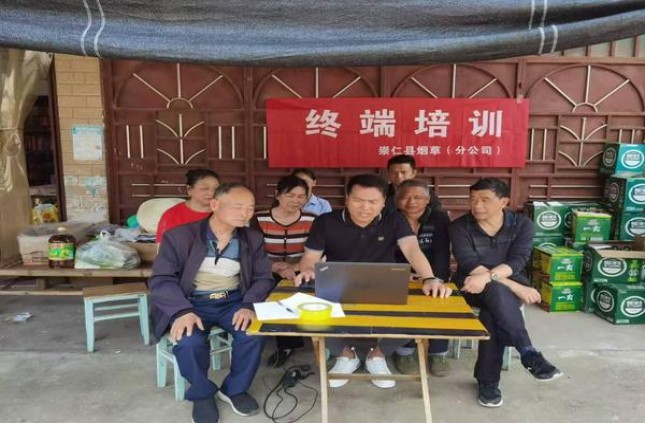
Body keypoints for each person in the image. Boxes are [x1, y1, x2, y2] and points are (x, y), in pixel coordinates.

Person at [295, 174, 452, 389]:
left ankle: (377, 355)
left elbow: (411, 249)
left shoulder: (394, 219)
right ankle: (345, 355)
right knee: (307, 313)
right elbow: (310, 256)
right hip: (338, 285)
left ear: (383, 202)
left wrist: (430, 278)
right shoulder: (326, 222)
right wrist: (306, 270)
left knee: (416, 314)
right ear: (347, 198)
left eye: (372, 202)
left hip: (384, 285)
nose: (365, 208)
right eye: (358, 200)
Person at [149, 182, 274, 423]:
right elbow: (161, 279)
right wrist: (181, 311)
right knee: (189, 341)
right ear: (215, 205)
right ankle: (202, 394)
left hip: (233, 300)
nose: (245, 213)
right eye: (238, 207)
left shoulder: (252, 238)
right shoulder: (180, 236)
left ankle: (234, 389)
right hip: (191, 303)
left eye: (250, 208)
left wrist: (249, 304)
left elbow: (263, 277)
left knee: (253, 334)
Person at [449, 178, 562, 408]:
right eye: (473, 200)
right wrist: (516, 287)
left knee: (492, 311)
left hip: (503, 282)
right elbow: (468, 262)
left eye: (485, 200)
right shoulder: (459, 226)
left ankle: (488, 382)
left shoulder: (522, 224)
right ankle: (527, 352)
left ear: (503, 202)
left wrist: (493, 279)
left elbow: (518, 260)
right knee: (496, 292)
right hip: (471, 283)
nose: (477, 205)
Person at [249, 175, 317, 367]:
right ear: (277, 194)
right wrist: (275, 266)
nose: (296, 200)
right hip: (266, 267)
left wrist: (294, 267)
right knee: (270, 290)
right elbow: (253, 252)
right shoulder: (259, 219)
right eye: (290, 195)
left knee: (304, 290)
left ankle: (311, 340)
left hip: (302, 267)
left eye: (301, 196)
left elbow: (316, 251)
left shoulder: (312, 219)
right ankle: (284, 344)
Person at [392, 179, 452, 377]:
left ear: (427, 200)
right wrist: (402, 274)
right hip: (400, 274)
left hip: (434, 273)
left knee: (440, 299)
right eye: (405, 197)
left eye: (417, 197)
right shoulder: (390, 218)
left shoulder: (439, 218)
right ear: (397, 199)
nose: (411, 202)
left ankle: (438, 352)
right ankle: (404, 351)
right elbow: (385, 252)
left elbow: (442, 252)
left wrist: (436, 278)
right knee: (402, 302)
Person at [156, 169, 220, 243]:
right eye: (204, 188)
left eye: (216, 188)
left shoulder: (225, 212)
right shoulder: (172, 215)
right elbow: (164, 247)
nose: (211, 193)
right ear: (189, 190)